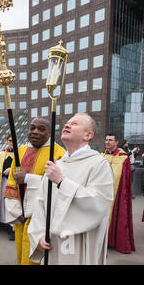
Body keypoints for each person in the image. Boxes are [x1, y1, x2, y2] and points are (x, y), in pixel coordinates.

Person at [28, 113, 114, 264]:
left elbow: (99, 203)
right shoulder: (57, 165)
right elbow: (40, 204)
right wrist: (39, 234)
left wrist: (61, 181)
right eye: (67, 123)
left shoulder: (99, 164)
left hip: (79, 242)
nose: (67, 125)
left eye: (74, 124)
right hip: (52, 243)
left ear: (88, 135)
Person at [4, 117, 65, 265]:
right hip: (22, 217)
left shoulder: (58, 153)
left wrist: (27, 179)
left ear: (50, 133)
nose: (35, 132)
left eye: (41, 129)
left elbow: (58, 186)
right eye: (32, 128)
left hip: (43, 218)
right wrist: (16, 210)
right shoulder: (21, 151)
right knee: (22, 255)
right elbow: (12, 181)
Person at [101, 134, 135, 254]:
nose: (107, 142)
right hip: (101, 192)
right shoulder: (101, 155)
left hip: (116, 193)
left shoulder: (123, 157)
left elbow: (124, 179)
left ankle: (112, 240)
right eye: (106, 140)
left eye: (110, 140)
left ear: (116, 143)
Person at [0, 134, 15, 241]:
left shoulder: (19, 153)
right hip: (3, 182)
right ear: (6, 141)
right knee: (3, 204)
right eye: (10, 140)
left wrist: (10, 171)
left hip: (13, 183)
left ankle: (12, 229)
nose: (12, 142)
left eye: (13, 140)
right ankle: (4, 224)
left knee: (12, 205)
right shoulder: (2, 154)